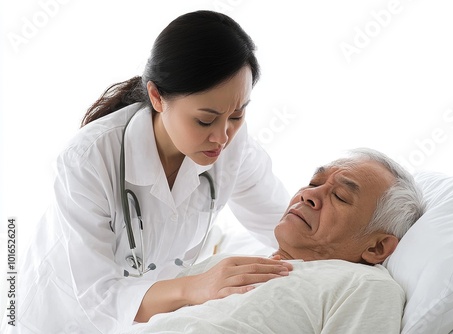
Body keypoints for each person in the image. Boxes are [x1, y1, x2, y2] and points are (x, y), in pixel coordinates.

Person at [10, 10, 292, 334]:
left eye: (237, 115)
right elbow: (101, 299)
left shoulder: (235, 148)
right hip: (57, 319)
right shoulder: (87, 161)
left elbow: (282, 227)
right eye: (205, 120)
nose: (223, 136)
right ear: (157, 97)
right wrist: (197, 287)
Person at [125, 148, 426, 333]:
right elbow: (124, 312)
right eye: (314, 183)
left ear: (376, 247)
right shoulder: (223, 266)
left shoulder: (363, 285)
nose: (309, 195)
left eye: (340, 196)